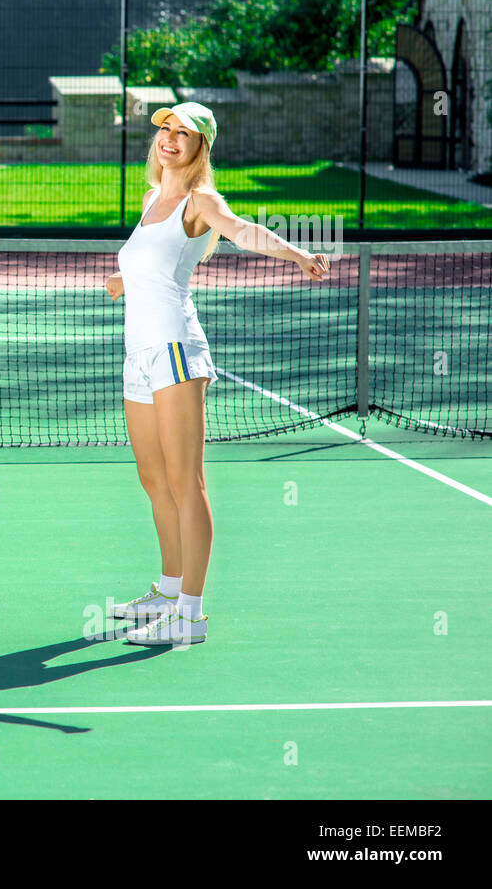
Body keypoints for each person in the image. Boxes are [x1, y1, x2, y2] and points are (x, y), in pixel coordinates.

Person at [104, 102, 329, 645]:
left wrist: (296, 253)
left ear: (201, 146)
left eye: (184, 133)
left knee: (186, 482)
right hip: (139, 355)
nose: (170, 140)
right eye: (165, 130)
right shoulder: (151, 198)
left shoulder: (201, 199)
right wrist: (124, 282)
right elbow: (158, 266)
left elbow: (242, 230)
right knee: (153, 480)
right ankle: (167, 588)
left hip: (178, 354)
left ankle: (189, 616)